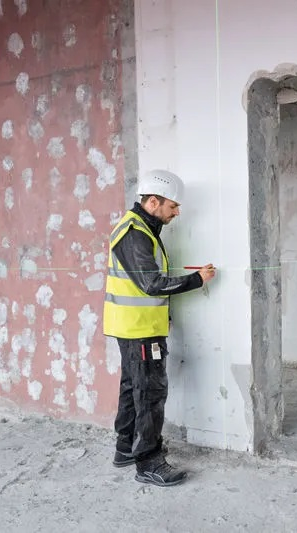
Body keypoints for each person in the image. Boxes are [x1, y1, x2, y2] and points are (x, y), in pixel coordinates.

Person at [102, 169, 216, 487]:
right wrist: (197, 280)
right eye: (172, 206)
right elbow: (151, 284)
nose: (176, 213)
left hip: (135, 326)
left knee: (133, 388)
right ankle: (149, 462)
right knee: (150, 393)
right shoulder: (135, 233)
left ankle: (126, 448)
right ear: (153, 202)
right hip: (139, 330)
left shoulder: (142, 229)